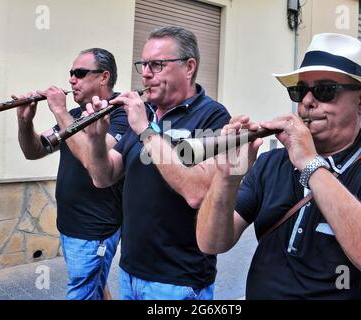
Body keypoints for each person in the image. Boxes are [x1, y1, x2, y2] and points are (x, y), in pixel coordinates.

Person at [196, 33, 361, 299]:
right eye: (300, 91)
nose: (307, 102)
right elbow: (211, 242)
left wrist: (311, 164)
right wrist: (226, 178)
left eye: (325, 90)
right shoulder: (270, 164)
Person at [83, 26, 231, 300]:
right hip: (129, 271)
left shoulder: (213, 117)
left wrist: (146, 131)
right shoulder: (146, 112)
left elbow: (196, 192)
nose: (146, 73)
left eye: (157, 65)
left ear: (189, 67)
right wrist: (96, 139)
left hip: (178, 280)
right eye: (144, 64)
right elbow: (104, 177)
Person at [15, 48, 127, 300]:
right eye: (71, 73)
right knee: (94, 286)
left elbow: (93, 159)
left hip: (96, 227)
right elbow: (35, 150)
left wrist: (60, 111)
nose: (71, 80)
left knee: (82, 292)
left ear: (104, 77)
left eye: (79, 73)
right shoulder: (76, 116)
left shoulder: (121, 112)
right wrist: (25, 122)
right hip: (71, 225)